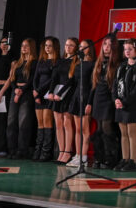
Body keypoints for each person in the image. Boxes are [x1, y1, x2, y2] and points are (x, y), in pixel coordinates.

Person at [0, 38, 37, 159]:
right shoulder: (17, 63)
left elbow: (32, 80)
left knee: (23, 123)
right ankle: (12, 149)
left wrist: (22, 90)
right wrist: (15, 89)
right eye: (22, 45)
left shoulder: (34, 63)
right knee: (11, 122)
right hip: (15, 92)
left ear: (31, 48)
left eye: (26, 46)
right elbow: (12, 78)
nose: (23, 48)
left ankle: (22, 150)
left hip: (26, 93)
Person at [88, 34, 121, 169]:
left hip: (109, 99)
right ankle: (99, 157)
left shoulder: (117, 64)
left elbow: (116, 86)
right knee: (99, 129)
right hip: (98, 99)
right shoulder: (99, 62)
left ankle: (111, 157)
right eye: (105, 44)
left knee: (107, 128)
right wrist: (89, 102)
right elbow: (93, 85)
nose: (106, 47)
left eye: (109, 45)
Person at [112, 39, 136, 172]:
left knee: (132, 132)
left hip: (132, 104)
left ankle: (133, 160)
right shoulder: (121, 66)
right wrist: (116, 99)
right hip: (120, 104)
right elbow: (115, 84)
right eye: (125, 49)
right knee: (123, 133)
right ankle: (124, 159)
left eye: (130, 49)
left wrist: (124, 102)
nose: (127, 51)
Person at [66, 39, 95, 168]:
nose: (81, 49)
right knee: (77, 129)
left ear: (90, 49)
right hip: (76, 97)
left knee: (85, 130)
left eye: (84, 47)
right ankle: (77, 155)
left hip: (86, 97)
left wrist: (89, 102)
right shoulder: (78, 64)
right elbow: (72, 83)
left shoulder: (93, 64)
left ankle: (84, 156)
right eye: (80, 47)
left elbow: (93, 85)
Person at [49, 37, 78, 164]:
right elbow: (54, 78)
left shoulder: (76, 62)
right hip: (57, 93)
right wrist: (51, 92)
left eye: (71, 45)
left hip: (68, 93)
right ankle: (61, 151)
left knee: (67, 123)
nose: (68, 47)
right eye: (66, 45)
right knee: (58, 124)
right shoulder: (60, 61)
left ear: (76, 48)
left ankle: (67, 152)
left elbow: (71, 81)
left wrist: (60, 94)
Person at [32, 36, 60, 161]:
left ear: (55, 47)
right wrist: (35, 91)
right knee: (40, 123)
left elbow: (52, 79)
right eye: (46, 46)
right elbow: (35, 78)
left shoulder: (57, 61)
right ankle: (38, 150)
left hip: (48, 93)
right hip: (38, 94)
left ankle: (46, 152)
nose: (47, 48)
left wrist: (39, 91)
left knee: (47, 121)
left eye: (50, 46)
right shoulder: (41, 61)